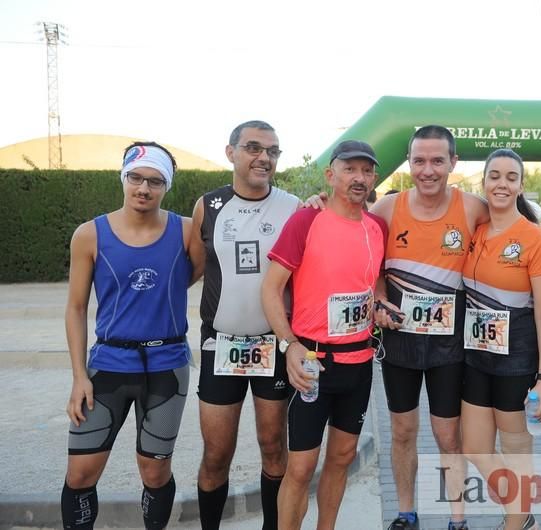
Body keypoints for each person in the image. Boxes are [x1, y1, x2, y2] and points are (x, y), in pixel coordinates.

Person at [370, 126, 541, 530]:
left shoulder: (484, 213)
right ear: (409, 162)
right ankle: (418, 512)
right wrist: (314, 207)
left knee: (482, 443)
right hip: (448, 352)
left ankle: (497, 518)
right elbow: (358, 239)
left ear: (453, 164)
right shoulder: (395, 210)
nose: (428, 170)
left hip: (488, 355)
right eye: (419, 160)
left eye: (437, 161)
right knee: (439, 439)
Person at [62, 142, 192, 530]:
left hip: (167, 367)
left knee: (154, 474)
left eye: (154, 181)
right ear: (123, 178)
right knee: (81, 474)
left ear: (165, 186)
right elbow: (75, 308)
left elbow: (197, 273)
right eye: (135, 177)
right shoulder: (90, 235)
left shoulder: (185, 231)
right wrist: (78, 376)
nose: (143, 188)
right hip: (107, 367)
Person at [262, 139, 387, 530]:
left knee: (342, 456)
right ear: (330, 175)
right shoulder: (306, 220)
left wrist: (382, 306)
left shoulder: (377, 227)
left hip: (359, 361)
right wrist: (289, 345)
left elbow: (375, 284)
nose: (359, 177)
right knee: (300, 467)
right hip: (312, 361)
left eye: (366, 171)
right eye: (350, 169)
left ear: (374, 178)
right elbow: (270, 288)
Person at [190, 120, 302, 530]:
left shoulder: (294, 207)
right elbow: (191, 270)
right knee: (217, 454)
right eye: (254, 148)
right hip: (220, 346)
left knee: (274, 448)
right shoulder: (209, 206)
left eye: (273, 151)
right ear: (231, 152)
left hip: (274, 345)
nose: (264, 157)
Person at [460, 149, 541, 530]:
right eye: (494, 176)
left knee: (516, 450)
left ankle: (516, 521)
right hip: (476, 357)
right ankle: (522, 511)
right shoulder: (476, 230)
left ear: (520, 186)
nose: (502, 183)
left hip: (517, 360)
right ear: (483, 181)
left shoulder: (534, 238)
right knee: (475, 449)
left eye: (511, 177)